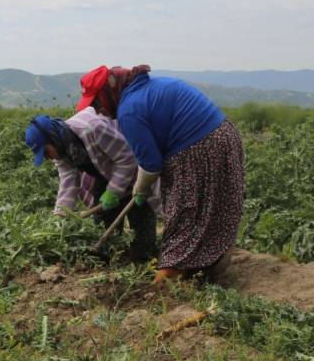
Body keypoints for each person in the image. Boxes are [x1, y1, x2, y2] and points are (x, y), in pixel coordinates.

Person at [77, 64, 244, 284]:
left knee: (184, 212)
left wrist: (140, 188)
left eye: (97, 103)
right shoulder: (148, 88)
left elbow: (150, 164)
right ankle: (210, 263)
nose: (98, 111)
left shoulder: (129, 110)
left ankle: (168, 279)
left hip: (200, 148)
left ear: (108, 93)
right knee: (212, 207)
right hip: (224, 137)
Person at [24, 112, 159, 262]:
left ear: (53, 138)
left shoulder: (92, 129)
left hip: (135, 169)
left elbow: (127, 159)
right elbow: (68, 179)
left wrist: (114, 191)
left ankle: (145, 257)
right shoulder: (62, 148)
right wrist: (60, 216)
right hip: (104, 173)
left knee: (140, 224)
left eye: (46, 152)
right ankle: (114, 255)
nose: (48, 158)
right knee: (102, 224)